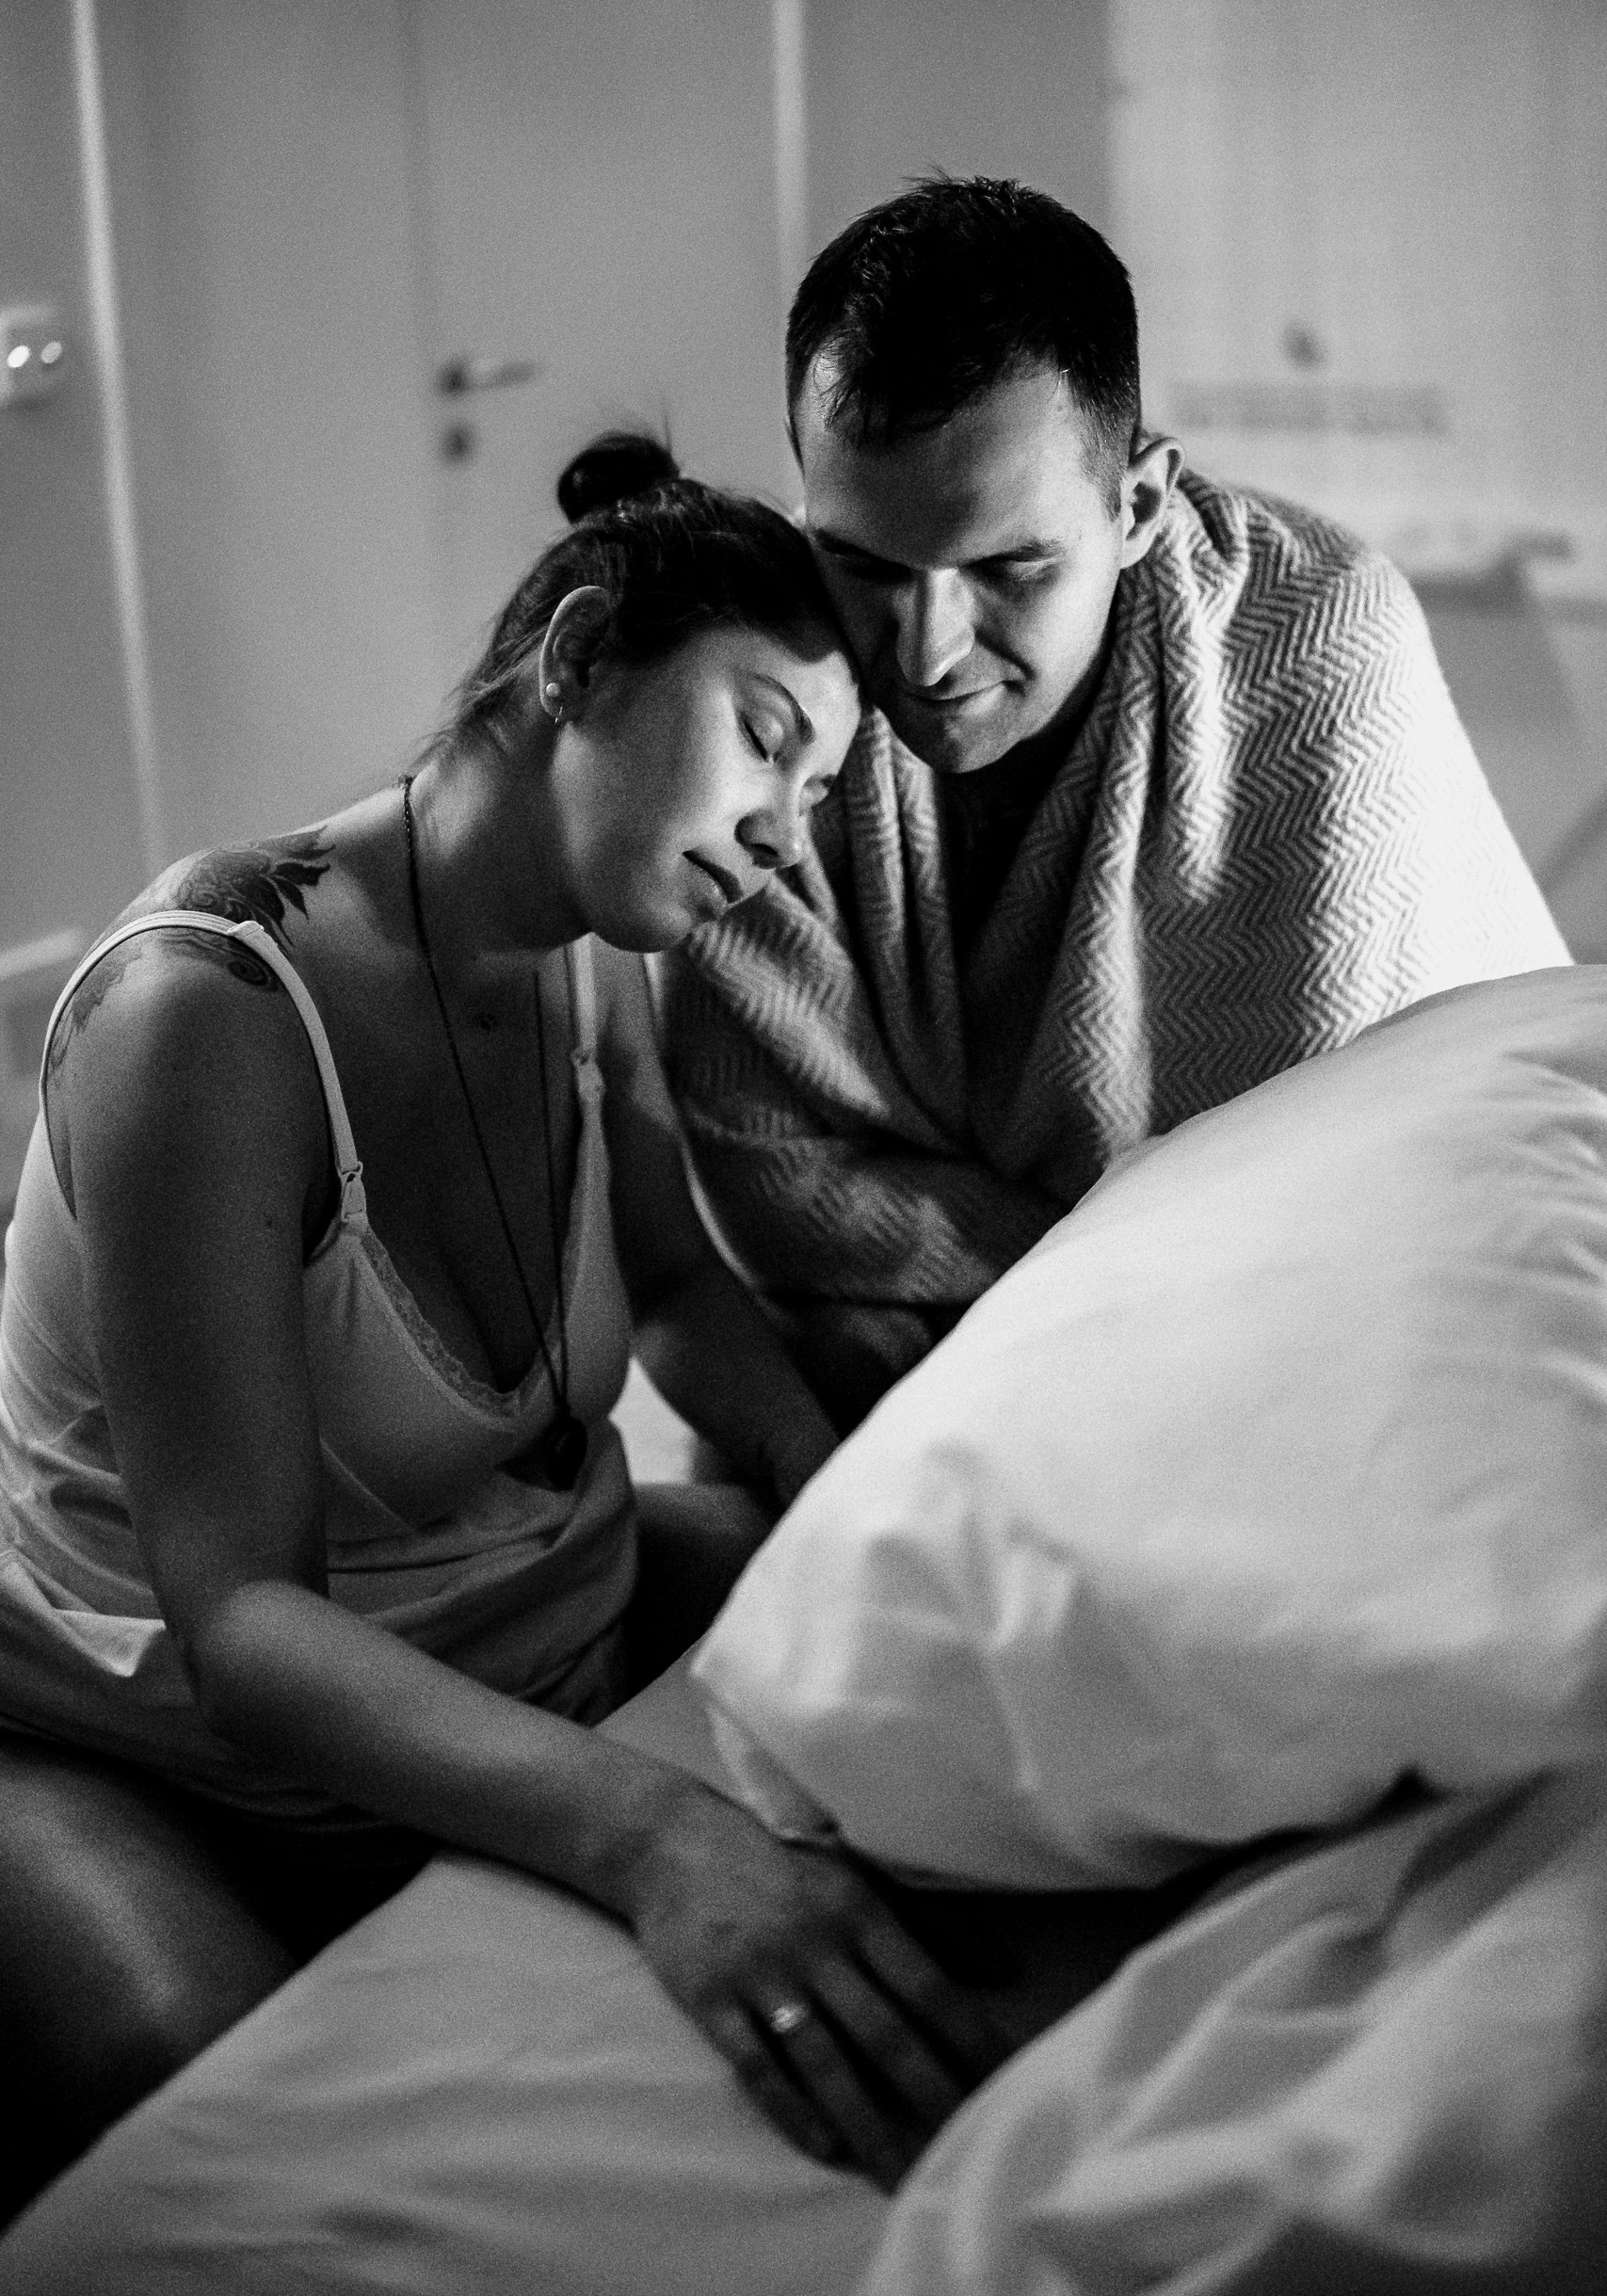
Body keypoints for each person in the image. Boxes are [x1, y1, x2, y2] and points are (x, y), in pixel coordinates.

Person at [0, 436, 1005, 2217]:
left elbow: (677, 1290)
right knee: (241, 2128)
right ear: (578, 658)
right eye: (766, 738)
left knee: (962, 1700)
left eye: (819, 789)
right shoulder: (205, 1015)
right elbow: (244, 1626)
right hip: (159, 1737)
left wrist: (825, 1471)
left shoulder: (590, 955)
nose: (783, 837)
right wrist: (658, 1836)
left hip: (521, 1612)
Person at [660, 179, 1570, 1427]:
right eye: (863, 563)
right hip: (1003, 1332)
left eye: (1008, 567)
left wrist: (961, 1272)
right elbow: (773, 1179)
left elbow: (1336, 1186)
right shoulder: (771, 677)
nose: (926, 653)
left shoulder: (1314, 643)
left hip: (1346, 1308)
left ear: (1137, 505)